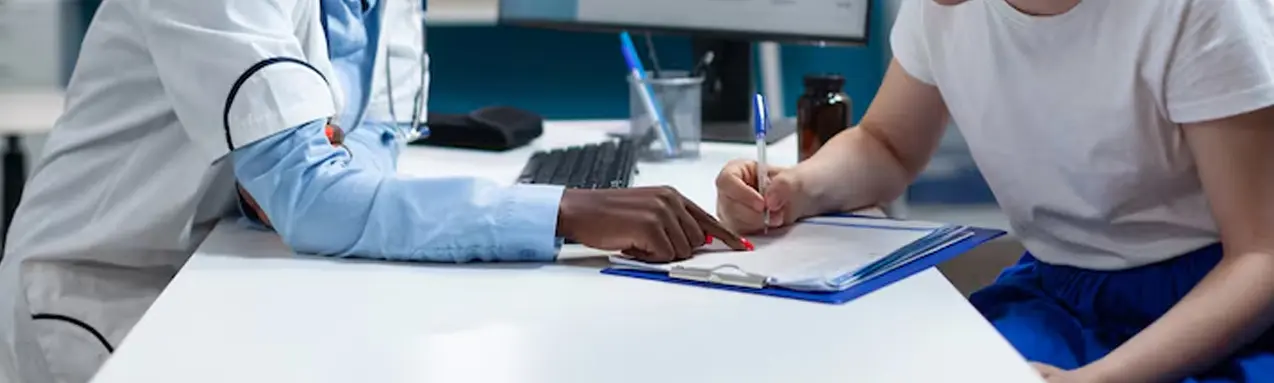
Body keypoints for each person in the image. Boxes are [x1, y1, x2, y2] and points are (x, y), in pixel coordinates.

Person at [0, 0, 745, 381]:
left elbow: (365, 148)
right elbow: (314, 192)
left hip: (240, 269)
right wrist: (567, 209)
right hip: (119, 291)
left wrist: (308, 182)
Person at [717, 0, 1273, 382]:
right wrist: (794, 188)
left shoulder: (1196, 12)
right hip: (1060, 291)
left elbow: (1260, 258)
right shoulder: (947, 9)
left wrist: (1100, 378)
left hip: (1213, 307)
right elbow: (887, 145)